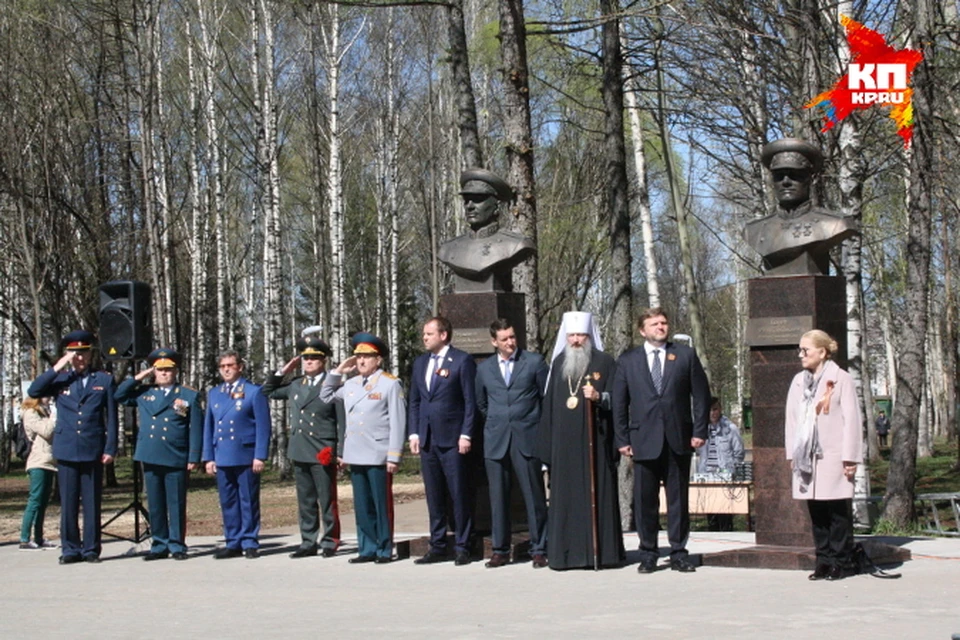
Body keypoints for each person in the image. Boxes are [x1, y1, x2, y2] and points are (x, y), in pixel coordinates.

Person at [612, 308, 711, 574]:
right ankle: (648, 553)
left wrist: (700, 431)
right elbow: (620, 403)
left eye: (664, 322)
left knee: (678, 499)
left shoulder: (685, 356)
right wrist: (622, 439)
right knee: (645, 501)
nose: (661, 327)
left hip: (678, 438)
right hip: (642, 440)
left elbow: (701, 396)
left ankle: (679, 552)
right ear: (642, 330)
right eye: (654, 323)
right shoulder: (628, 361)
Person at [538, 311, 624, 570]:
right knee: (566, 500)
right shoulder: (559, 363)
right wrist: (548, 450)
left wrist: (599, 397)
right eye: (572, 335)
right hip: (564, 449)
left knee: (596, 495)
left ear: (589, 336)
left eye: (581, 335)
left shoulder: (605, 362)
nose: (576, 341)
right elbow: (550, 408)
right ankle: (566, 555)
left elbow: (618, 401)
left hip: (595, 444)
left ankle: (603, 554)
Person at [28, 329, 118, 564]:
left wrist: (110, 448)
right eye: (74, 354)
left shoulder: (103, 380)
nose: (80, 358)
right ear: (68, 355)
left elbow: (112, 417)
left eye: (83, 353)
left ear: (90, 354)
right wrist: (59, 366)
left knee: (91, 503)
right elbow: (34, 391)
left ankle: (90, 549)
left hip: (92, 448)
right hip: (67, 448)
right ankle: (69, 549)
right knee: (68, 503)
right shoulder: (60, 379)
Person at [320, 333, 406, 564]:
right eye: (358, 357)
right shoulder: (350, 384)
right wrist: (338, 371)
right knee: (362, 505)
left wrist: (394, 455)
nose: (361, 361)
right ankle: (367, 547)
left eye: (366, 356)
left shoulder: (390, 383)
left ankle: (384, 548)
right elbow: (326, 395)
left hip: (378, 453)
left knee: (381, 504)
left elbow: (398, 421)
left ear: (378, 360)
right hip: (356, 453)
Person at [785, 330, 863, 581]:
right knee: (817, 511)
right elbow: (792, 420)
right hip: (807, 456)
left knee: (837, 510)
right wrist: (792, 453)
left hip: (834, 455)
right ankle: (823, 559)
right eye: (800, 349)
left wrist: (850, 457)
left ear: (822, 352)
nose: (801, 354)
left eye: (805, 350)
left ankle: (842, 560)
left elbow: (851, 420)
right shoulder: (798, 381)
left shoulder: (841, 379)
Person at [475, 318, 549, 568]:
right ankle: (500, 549)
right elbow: (482, 403)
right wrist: (499, 420)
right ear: (494, 341)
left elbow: (544, 397)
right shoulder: (484, 369)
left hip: (527, 438)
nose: (510, 342)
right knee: (497, 498)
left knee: (534, 496)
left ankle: (539, 548)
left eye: (513, 337)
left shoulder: (534, 362)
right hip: (496, 440)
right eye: (504, 339)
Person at [115, 348, 202, 561]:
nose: (164, 374)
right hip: (151, 454)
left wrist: (194, 456)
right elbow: (119, 395)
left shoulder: (187, 394)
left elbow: (196, 428)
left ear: (175, 371)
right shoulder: (145, 393)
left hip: (176, 455)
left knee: (176, 503)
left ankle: (177, 544)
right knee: (155, 503)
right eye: (160, 370)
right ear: (154, 371)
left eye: (168, 370)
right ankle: (159, 544)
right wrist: (139, 377)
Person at [263, 334, 345, 559]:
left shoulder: (334, 384)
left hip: (322, 449)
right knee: (305, 500)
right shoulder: (296, 384)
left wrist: (339, 452)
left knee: (327, 499)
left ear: (323, 361)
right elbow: (267, 392)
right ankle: (308, 541)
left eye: (313, 358)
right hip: (300, 448)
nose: (308, 362)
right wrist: (283, 372)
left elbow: (342, 420)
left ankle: (330, 541)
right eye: (305, 358)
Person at [408, 316, 478, 566]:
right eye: (424, 334)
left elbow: (470, 401)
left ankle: (463, 545)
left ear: (443, 335)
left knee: (459, 494)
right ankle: (437, 545)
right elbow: (415, 401)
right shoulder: (420, 363)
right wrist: (414, 433)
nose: (424, 338)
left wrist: (466, 433)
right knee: (434, 495)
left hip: (453, 439)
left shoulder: (462, 360)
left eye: (429, 334)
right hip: (427, 439)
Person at [743, 138, 858, 276]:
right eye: (779, 176)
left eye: (795, 175)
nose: (786, 182)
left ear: (811, 179)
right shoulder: (754, 229)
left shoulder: (835, 223)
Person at [202, 350, 271, 559]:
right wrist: (208, 457)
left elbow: (263, 426)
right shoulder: (214, 393)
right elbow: (209, 426)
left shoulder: (253, 391)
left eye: (230, 365)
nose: (226, 369)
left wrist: (260, 455)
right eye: (223, 366)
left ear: (240, 367)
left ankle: (250, 541)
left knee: (248, 499)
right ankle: (233, 541)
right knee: (228, 500)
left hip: (245, 454)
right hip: (222, 455)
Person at [437, 168, 535, 293]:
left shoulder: (516, 245)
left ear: (496, 205)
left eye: (478, 199)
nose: (470, 206)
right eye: (466, 200)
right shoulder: (448, 249)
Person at [695, 397, 745, 531]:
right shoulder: (701, 429)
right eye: (710, 410)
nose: (713, 413)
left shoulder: (730, 428)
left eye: (715, 409)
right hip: (706, 474)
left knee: (725, 513)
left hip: (724, 476)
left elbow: (739, 453)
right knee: (710, 511)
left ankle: (727, 531)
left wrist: (731, 470)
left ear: (720, 409)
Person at [18, 396, 57, 550]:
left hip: (50, 461)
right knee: (35, 499)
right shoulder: (30, 412)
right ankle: (24, 538)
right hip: (38, 461)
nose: (49, 398)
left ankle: (39, 537)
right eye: (47, 395)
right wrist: (54, 416)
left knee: (43, 501)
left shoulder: (44, 412)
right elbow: (46, 431)